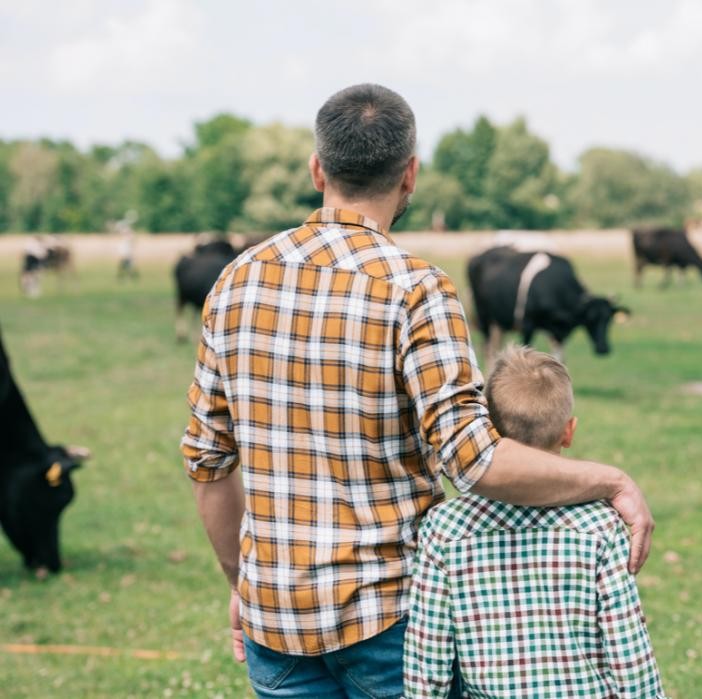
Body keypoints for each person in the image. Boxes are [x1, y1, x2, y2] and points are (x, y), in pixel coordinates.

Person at [181, 83, 654, 698]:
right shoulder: (417, 290)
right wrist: (611, 481)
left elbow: (207, 463)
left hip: (276, 622)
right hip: (394, 625)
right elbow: (474, 458)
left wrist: (241, 584)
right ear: (411, 175)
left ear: (317, 168)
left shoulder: (235, 282)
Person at [405, 346, 668, 698]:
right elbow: (629, 653)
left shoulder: (444, 528)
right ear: (568, 432)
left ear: (489, 430)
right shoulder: (601, 527)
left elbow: (428, 656)